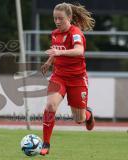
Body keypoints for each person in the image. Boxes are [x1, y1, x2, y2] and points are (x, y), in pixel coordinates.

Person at [40, 2, 95, 156]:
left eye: (61, 19)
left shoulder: (75, 32)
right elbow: (56, 51)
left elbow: (79, 50)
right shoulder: (55, 33)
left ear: (69, 18)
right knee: (50, 106)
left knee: (79, 119)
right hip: (59, 76)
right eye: (55, 19)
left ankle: (88, 115)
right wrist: (49, 61)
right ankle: (46, 143)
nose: (57, 22)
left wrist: (58, 54)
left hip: (77, 79)